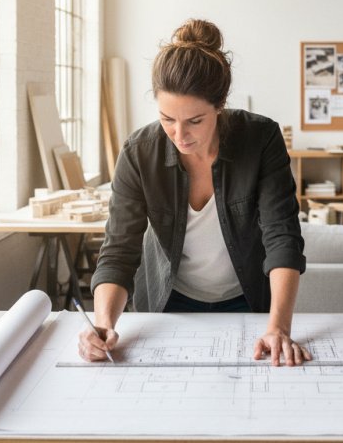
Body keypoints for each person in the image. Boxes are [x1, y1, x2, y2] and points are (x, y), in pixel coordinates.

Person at [79, 19, 310, 367]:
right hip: (167, 302)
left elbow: (283, 237)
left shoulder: (261, 139)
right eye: (167, 118)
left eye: (195, 121)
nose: (179, 134)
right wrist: (103, 325)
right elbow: (119, 250)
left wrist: (278, 327)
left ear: (220, 106)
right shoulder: (139, 152)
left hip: (245, 300)